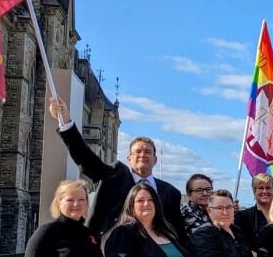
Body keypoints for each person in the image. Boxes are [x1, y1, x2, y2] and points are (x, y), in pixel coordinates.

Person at [49, 98, 186, 242]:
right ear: (129, 158)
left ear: (155, 159)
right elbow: (85, 158)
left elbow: (177, 232)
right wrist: (65, 121)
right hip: (112, 252)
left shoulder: (171, 193)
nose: (142, 155)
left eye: (147, 152)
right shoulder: (113, 177)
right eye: (137, 152)